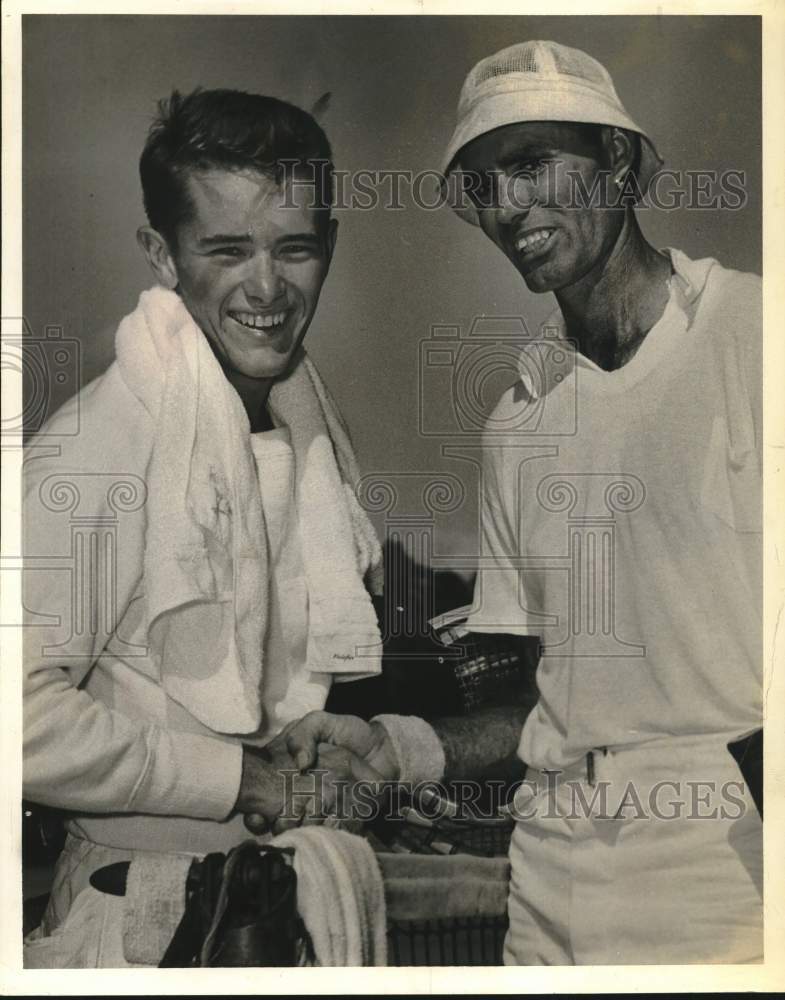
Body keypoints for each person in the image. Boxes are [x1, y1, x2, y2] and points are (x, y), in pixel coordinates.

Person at [281, 40, 763, 965]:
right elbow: (540, 697)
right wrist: (399, 747)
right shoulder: (518, 420)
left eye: (532, 165)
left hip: (720, 871)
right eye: (485, 185)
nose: (507, 209)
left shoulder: (751, 335)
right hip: (547, 876)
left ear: (617, 161)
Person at [22, 88, 388, 967]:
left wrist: (314, 757)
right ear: (161, 253)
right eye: (226, 249)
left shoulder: (308, 439)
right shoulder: (97, 445)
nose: (266, 287)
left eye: (293, 247)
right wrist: (245, 779)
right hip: (136, 928)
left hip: (286, 911)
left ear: (328, 246)